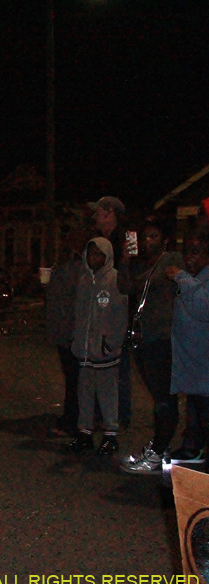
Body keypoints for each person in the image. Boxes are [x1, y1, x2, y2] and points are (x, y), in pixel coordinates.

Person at [118, 218, 185, 473]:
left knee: (163, 398)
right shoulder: (143, 267)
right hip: (145, 338)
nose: (147, 242)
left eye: (154, 236)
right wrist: (124, 260)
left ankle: (159, 450)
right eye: (145, 237)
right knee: (158, 396)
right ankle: (159, 448)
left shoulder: (172, 260)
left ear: (165, 239)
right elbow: (125, 287)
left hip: (163, 338)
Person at [66, 237, 128, 455]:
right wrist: (76, 339)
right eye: (90, 253)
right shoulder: (84, 280)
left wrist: (112, 343)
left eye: (98, 254)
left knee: (107, 393)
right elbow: (78, 313)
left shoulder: (114, 280)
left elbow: (120, 316)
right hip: (84, 348)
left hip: (104, 349)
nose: (93, 258)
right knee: (84, 392)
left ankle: (110, 434)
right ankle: (85, 432)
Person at [162, 227, 209, 471]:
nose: (189, 258)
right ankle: (193, 446)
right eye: (187, 252)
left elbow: (203, 307)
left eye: (196, 252)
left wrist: (182, 278)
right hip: (194, 365)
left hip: (204, 367)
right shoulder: (198, 276)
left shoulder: (198, 279)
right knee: (195, 408)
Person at [88, 195, 133, 431]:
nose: (95, 216)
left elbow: (131, 276)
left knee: (118, 364)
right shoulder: (98, 241)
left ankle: (118, 415)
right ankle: (104, 412)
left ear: (109, 213)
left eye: (99, 212)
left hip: (118, 309)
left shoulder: (124, 240)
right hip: (100, 307)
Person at [44, 228, 89, 436]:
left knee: (74, 379)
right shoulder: (68, 267)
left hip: (69, 331)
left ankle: (74, 421)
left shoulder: (74, 268)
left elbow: (70, 302)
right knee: (73, 378)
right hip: (65, 330)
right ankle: (74, 418)